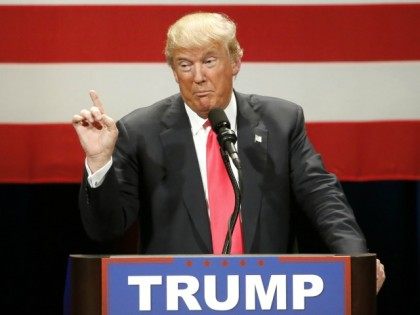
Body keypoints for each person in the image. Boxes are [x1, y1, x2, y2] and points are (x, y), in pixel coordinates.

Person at [72, 12, 385, 292]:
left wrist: (355, 259)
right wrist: (99, 161)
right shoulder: (141, 130)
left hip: (267, 293)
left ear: (235, 62)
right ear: (174, 71)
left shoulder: (281, 121)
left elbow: (322, 196)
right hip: (176, 296)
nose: (198, 76)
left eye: (209, 61)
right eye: (185, 64)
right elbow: (105, 228)